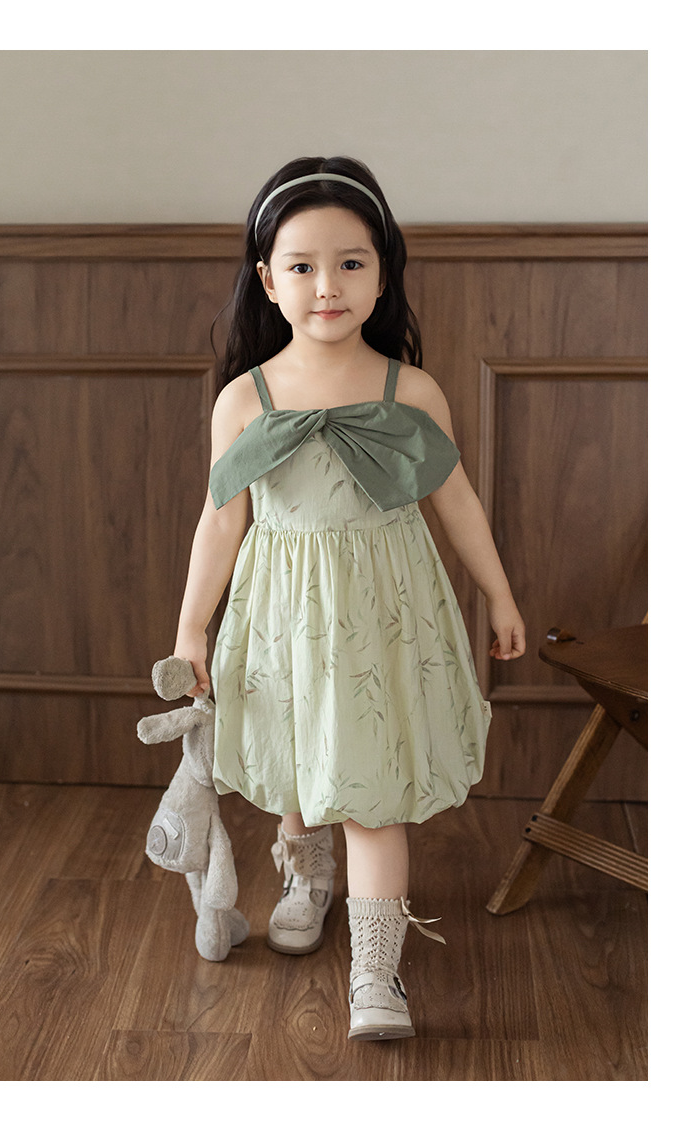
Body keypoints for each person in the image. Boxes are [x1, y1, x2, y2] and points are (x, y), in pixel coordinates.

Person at [173, 155, 525, 1041]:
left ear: (382, 274)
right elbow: (220, 521)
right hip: (283, 616)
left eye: (351, 263)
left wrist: (500, 595)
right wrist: (191, 626)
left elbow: (458, 504)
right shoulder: (244, 400)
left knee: (371, 788)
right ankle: (307, 872)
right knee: (299, 757)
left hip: (383, 621)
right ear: (269, 280)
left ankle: (376, 972)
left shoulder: (412, 392)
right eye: (302, 265)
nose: (327, 285)